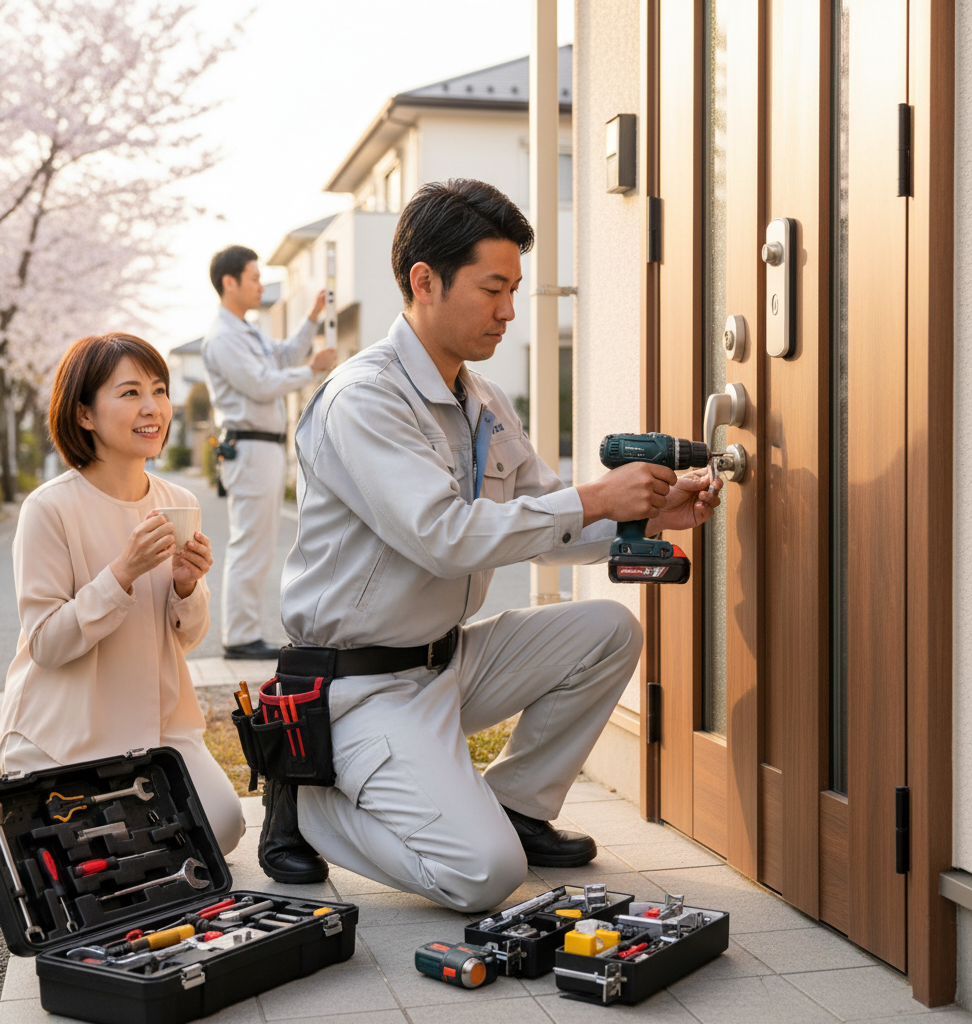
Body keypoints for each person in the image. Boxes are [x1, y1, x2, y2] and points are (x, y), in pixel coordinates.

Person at [266, 179, 721, 905]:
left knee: (606, 629)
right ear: (424, 281)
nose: (510, 310)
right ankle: (310, 800)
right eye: (493, 288)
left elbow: (546, 518)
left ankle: (517, 808)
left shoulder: (481, 402)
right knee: (484, 875)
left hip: (446, 662)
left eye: (514, 288)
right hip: (360, 686)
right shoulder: (365, 400)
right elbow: (443, 539)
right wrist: (596, 495)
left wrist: (647, 515)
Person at [0, 333, 245, 855]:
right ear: (84, 414)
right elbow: (47, 644)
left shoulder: (178, 501)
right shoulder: (50, 509)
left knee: (223, 826)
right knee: (103, 848)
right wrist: (122, 573)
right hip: (68, 728)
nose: (152, 407)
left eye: (159, 389)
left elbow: (189, 637)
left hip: (157, 726)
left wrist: (186, 585)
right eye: (130, 393)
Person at [201, 246, 337, 660]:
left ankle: (243, 634)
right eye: (254, 278)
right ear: (230, 282)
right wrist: (312, 370)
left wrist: (312, 318)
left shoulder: (246, 329)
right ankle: (239, 638)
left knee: (258, 545)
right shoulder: (223, 337)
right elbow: (262, 383)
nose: (261, 285)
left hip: (263, 447)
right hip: (250, 445)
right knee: (249, 545)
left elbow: (282, 357)